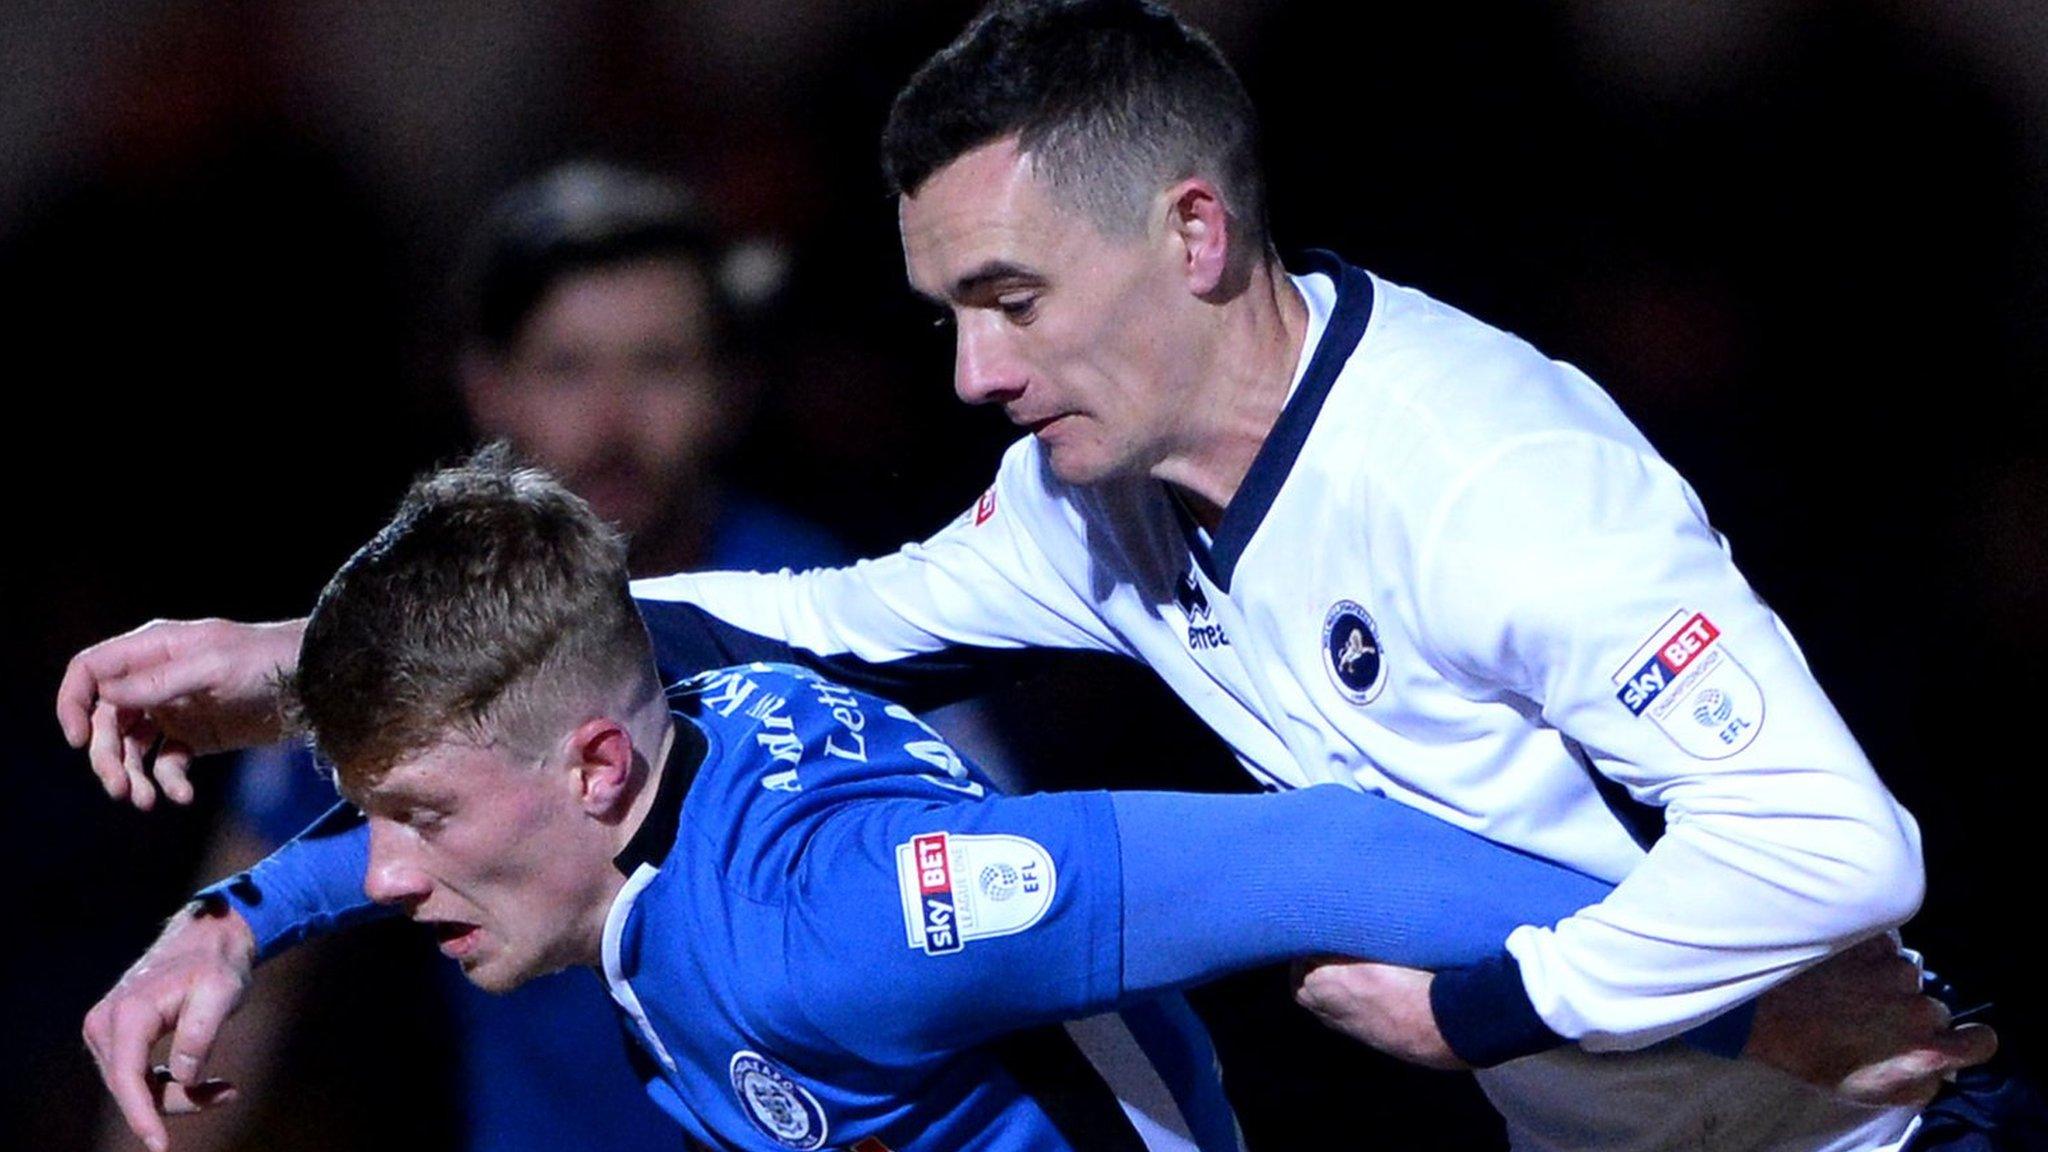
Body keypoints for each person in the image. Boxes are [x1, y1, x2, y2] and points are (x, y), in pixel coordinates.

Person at [60, 2, 2024, 1149]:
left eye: (1007, 300)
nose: (974, 375)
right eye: (945, 312)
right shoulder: (1079, 504)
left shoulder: (1488, 482)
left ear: (1185, 234)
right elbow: (786, 623)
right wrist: (296, 684)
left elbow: (1836, 854)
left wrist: (1513, 1013)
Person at [94, 452, 1642, 1152]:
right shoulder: (651, 713)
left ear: (593, 772)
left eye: (414, 819)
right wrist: (232, 919)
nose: (376, 873)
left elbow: (1333, 851)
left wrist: (1725, 964)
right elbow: (441, 763)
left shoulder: (854, 920)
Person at [115, 161, 854, 1152]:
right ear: (485, 385)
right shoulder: (385, 640)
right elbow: (240, 995)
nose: (612, 420)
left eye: (660, 364)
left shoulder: (844, 620)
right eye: (566, 366)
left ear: (732, 389)